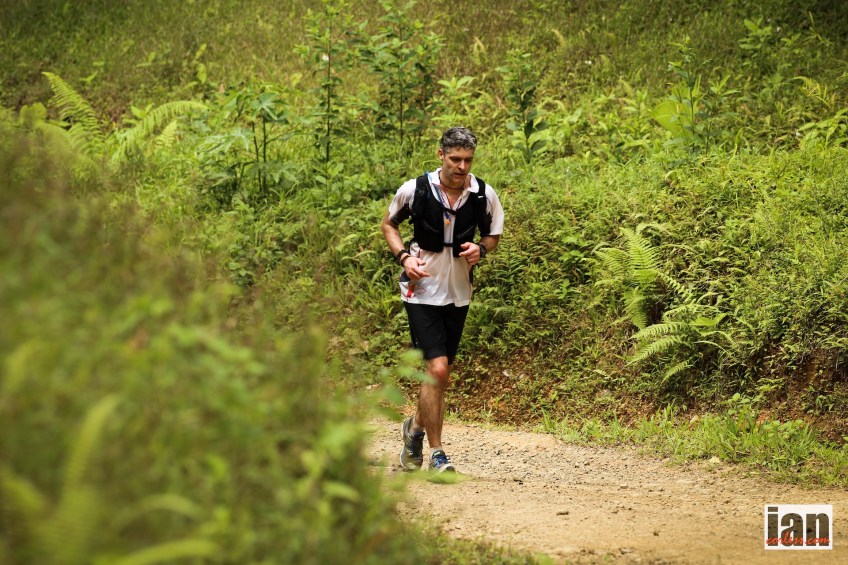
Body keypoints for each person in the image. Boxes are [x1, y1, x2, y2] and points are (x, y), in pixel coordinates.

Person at [380, 126, 504, 473]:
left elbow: (493, 235)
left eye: (468, 160)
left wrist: (481, 249)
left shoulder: (482, 194)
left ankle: (414, 428)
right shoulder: (416, 189)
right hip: (420, 292)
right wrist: (404, 257)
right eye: (455, 159)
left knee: (440, 374)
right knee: (436, 368)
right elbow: (389, 225)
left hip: (458, 293)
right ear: (441, 155)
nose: (462, 167)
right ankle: (437, 455)